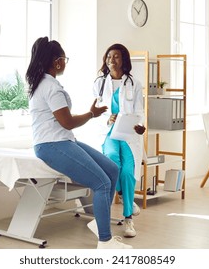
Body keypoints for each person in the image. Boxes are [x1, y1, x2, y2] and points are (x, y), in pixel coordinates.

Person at [26, 37, 132, 249]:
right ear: (57, 61)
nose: (65, 62)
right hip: (52, 145)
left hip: (61, 140)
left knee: (112, 169)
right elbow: (67, 122)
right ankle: (105, 241)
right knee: (101, 183)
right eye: (64, 59)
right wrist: (91, 114)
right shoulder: (50, 87)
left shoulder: (44, 83)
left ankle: (98, 222)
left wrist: (90, 114)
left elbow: (62, 121)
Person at [92, 43, 146, 238]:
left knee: (127, 171)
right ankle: (125, 197)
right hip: (108, 133)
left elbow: (140, 112)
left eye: (115, 57)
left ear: (124, 60)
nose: (111, 60)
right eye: (108, 57)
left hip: (129, 134)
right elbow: (95, 112)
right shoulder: (99, 84)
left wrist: (141, 126)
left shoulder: (135, 83)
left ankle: (128, 220)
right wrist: (107, 119)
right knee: (113, 162)